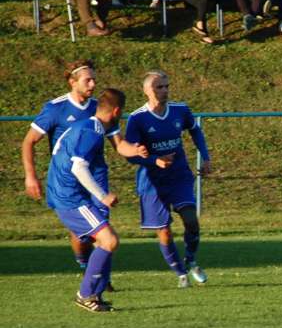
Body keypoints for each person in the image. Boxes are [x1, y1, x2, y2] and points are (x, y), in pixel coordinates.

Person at [22, 61, 145, 277]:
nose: (93, 83)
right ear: (72, 82)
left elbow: (119, 145)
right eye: (88, 79)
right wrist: (30, 176)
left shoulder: (99, 108)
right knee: (82, 236)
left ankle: (100, 278)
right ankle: (85, 264)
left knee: (102, 229)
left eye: (94, 79)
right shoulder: (55, 109)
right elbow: (28, 142)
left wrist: (136, 150)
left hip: (96, 177)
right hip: (69, 182)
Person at [45, 88, 130, 312]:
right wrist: (103, 195)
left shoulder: (85, 127)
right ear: (117, 111)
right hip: (70, 198)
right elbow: (78, 167)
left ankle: (95, 295)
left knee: (102, 241)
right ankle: (85, 295)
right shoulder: (92, 131)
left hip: (66, 194)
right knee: (109, 241)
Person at [125, 71, 212, 288]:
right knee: (164, 230)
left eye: (166, 86)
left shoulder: (180, 110)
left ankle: (191, 259)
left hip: (179, 175)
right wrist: (154, 160)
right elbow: (131, 157)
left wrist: (206, 157)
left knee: (191, 220)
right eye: (158, 87)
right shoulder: (137, 119)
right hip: (152, 182)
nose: (164, 91)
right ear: (146, 91)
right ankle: (180, 273)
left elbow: (195, 131)